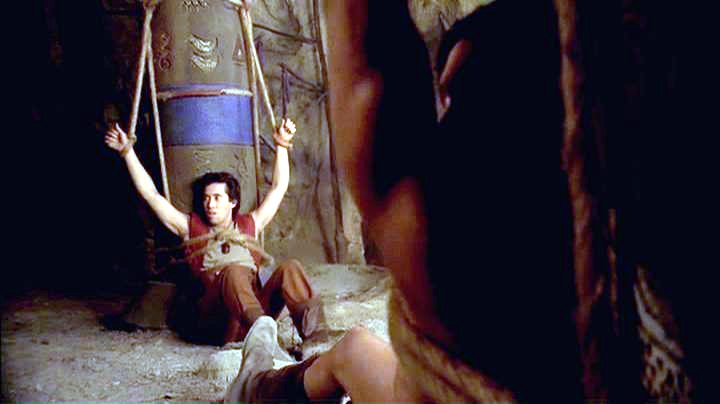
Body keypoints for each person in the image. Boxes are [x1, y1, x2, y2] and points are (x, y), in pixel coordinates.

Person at [105, 118, 323, 345]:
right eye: (206, 198)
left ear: (232, 202)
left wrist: (282, 144)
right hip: (217, 318)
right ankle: (263, 338)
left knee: (291, 268)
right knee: (234, 272)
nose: (210, 204)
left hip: (253, 313)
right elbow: (151, 195)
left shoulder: (250, 224)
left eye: (217, 198)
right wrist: (127, 152)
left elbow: (278, 188)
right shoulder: (191, 229)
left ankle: (314, 338)